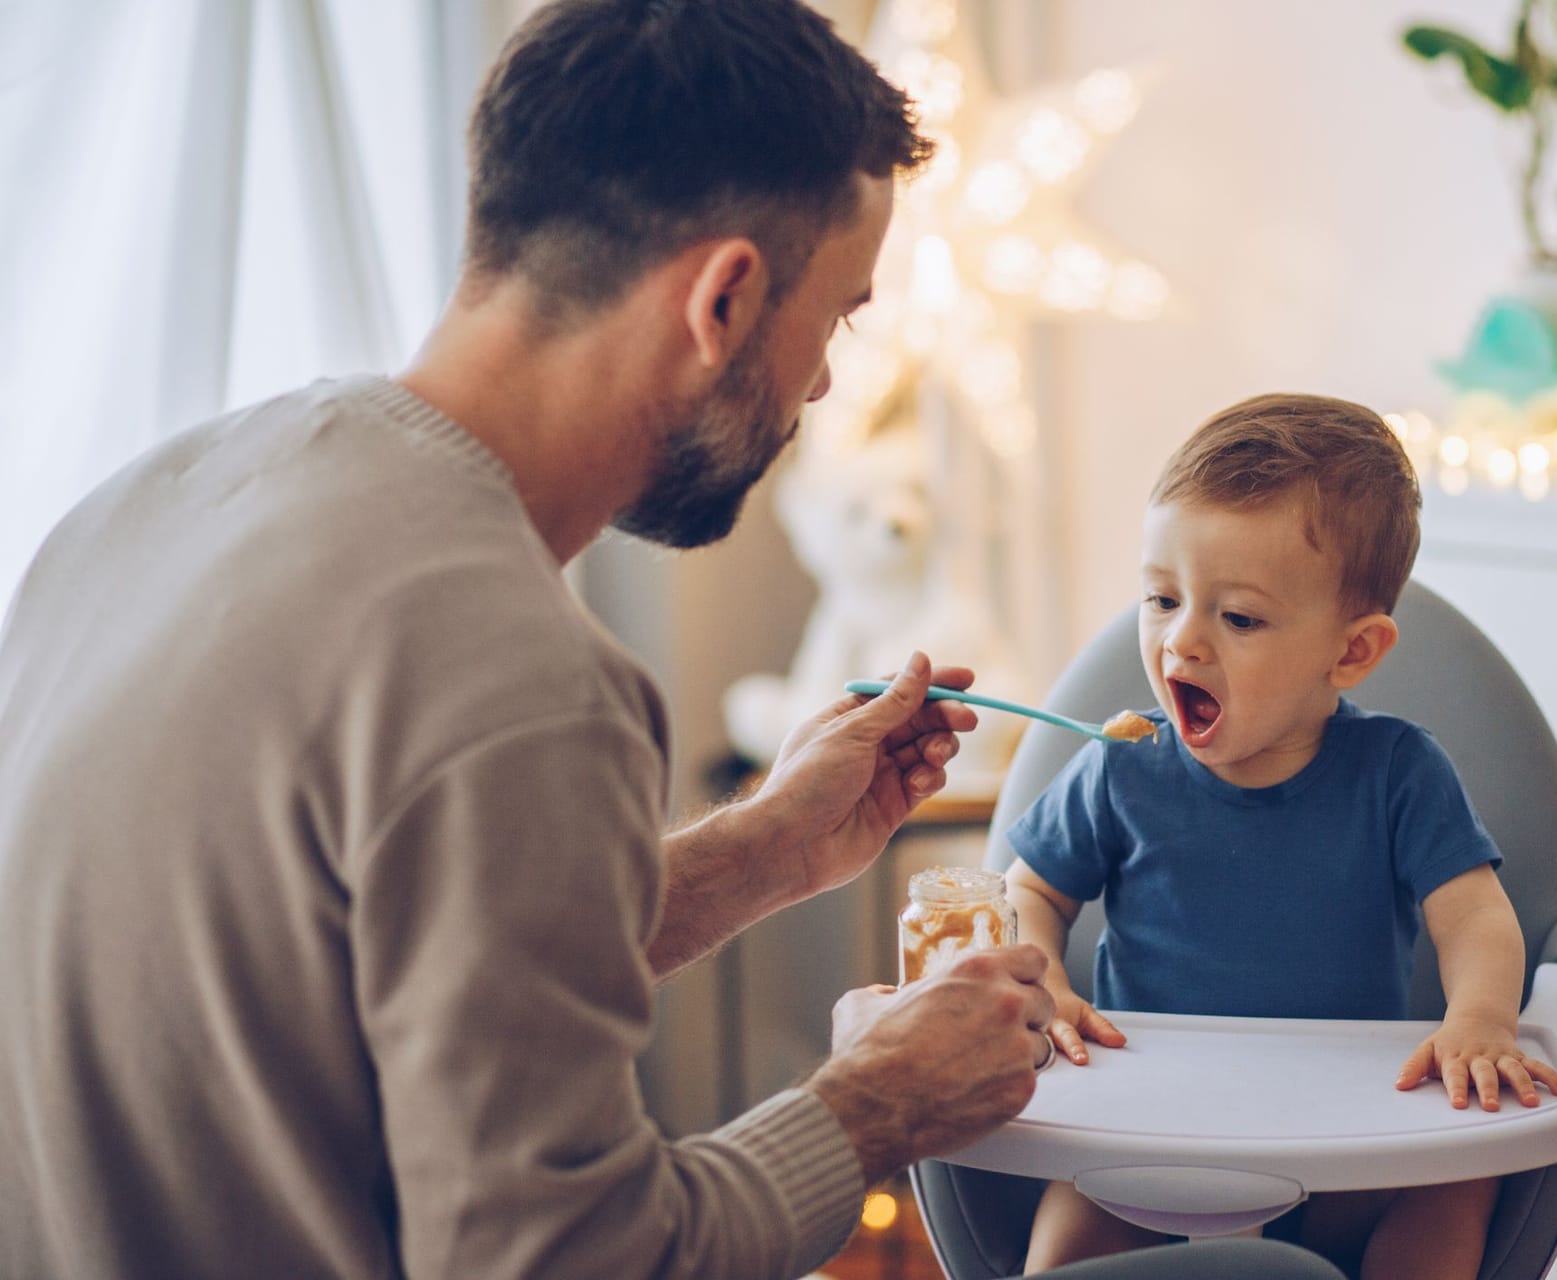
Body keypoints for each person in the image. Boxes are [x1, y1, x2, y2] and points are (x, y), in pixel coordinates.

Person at [0, 2, 1061, 1276]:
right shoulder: (523, 681)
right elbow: (559, 1257)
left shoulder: (146, 502)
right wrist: (876, 1101)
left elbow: (362, 966)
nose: (825, 384)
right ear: (724, 298)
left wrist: (766, 849)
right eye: (834, 318)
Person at [1005, 394, 1557, 1278]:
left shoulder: (1397, 772)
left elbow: (1474, 917)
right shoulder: (1123, 766)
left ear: (1351, 653)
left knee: (1458, 1185)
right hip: (1145, 1150)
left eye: (1238, 618)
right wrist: (1039, 966)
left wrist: (1481, 1018)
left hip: (1350, 1149)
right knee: (1068, 1235)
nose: (1179, 643)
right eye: (1161, 599)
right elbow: (1031, 888)